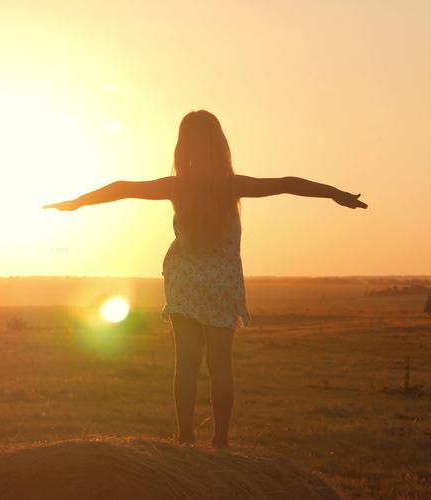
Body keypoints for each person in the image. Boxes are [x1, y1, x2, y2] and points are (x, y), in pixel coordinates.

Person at [43, 110, 368, 448]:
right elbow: (286, 183)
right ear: (220, 145)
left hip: (184, 282)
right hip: (222, 284)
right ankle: (220, 441)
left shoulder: (174, 186)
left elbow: (123, 188)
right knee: (220, 365)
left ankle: (184, 438)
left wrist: (77, 203)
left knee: (185, 362)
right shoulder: (232, 185)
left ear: (182, 147)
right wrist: (334, 192)